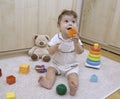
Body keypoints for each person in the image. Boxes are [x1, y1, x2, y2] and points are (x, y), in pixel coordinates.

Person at [38, 9, 84, 96]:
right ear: (59, 25)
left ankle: (73, 87)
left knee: (73, 76)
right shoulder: (56, 37)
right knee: (50, 70)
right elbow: (49, 52)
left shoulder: (76, 39)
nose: (70, 24)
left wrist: (76, 43)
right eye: (66, 21)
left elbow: (80, 52)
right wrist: (54, 48)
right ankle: (48, 82)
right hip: (57, 64)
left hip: (71, 66)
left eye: (73, 22)